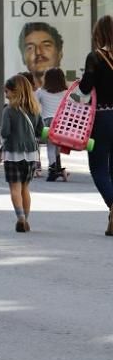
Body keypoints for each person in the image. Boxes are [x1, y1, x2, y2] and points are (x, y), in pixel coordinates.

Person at [79, 15, 113, 235]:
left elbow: (85, 88)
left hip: (103, 117)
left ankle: (112, 206)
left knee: (98, 168)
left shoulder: (95, 57)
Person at [0, 75, 43, 233]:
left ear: (14, 91)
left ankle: (21, 218)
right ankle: (26, 218)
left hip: (13, 154)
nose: (5, 95)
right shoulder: (35, 109)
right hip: (31, 154)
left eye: (7, 91)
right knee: (25, 188)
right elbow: (40, 131)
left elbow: (5, 132)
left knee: (15, 189)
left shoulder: (9, 110)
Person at [36, 67, 69, 181]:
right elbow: (71, 105)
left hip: (47, 123)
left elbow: (33, 104)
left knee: (50, 146)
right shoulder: (66, 93)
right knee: (56, 147)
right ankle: (56, 167)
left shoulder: (41, 92)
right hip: (61, 123)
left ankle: (53, 168)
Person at [19, 21, 64, 87]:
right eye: (30, 48)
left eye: (46, 45)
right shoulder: (14, 93)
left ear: (60, 54)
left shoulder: (74, 92)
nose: (38, 52)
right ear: (23, 58)